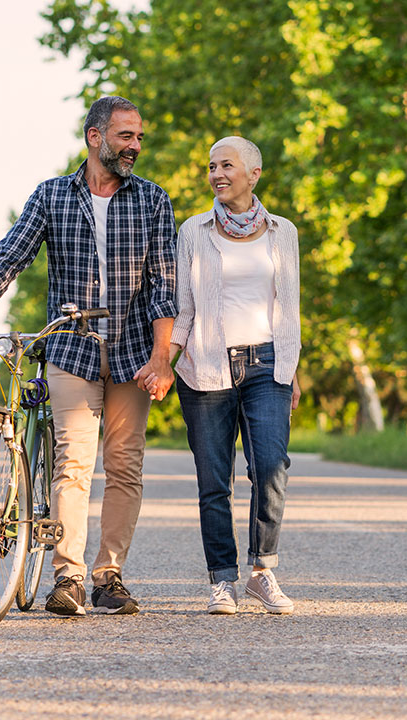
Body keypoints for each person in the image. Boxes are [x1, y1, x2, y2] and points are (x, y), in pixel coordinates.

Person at [0, 96, 177, 617]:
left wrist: (162, 358)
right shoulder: (52, 196)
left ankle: (109, 576)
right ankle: (68, 578)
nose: (135, 146)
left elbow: (165, 286)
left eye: (139, 137)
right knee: (73, 463)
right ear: (95, 138)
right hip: (71, 348)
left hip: (134, 352)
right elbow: (13, 251)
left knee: (124, 466)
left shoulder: (154, 201)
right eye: (125, 136)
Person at [145, 135, 302, 614]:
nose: (216, 174)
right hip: (205, 365)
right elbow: (184, 307)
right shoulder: (193, 231)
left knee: (271, 467)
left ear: (253, 174)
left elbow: (289, 306)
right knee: (214, 480)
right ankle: (222, 581)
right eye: (212, 166)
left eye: (226, 165)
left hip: (268, 362)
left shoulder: (283, 232)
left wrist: (294, 367)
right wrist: (164, 361)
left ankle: (261, 571)